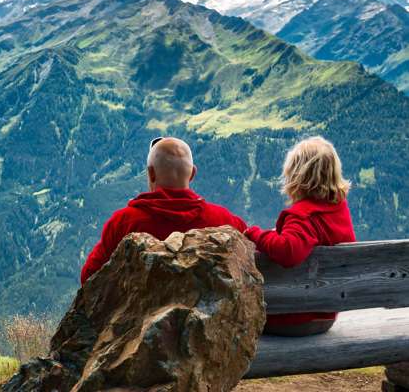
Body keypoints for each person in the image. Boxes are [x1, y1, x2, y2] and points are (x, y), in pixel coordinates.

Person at [80, 137, 248, 285]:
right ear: (192, 174)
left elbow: (89, 278)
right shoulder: (226, 221)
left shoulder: (124, 222)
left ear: (151, 173)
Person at [246, 136, 355, 336]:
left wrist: (254, 234)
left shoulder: (302, 215)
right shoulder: (338, 209)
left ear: (296, 176)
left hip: (291, 317)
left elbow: (288, 251)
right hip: (325, 314)